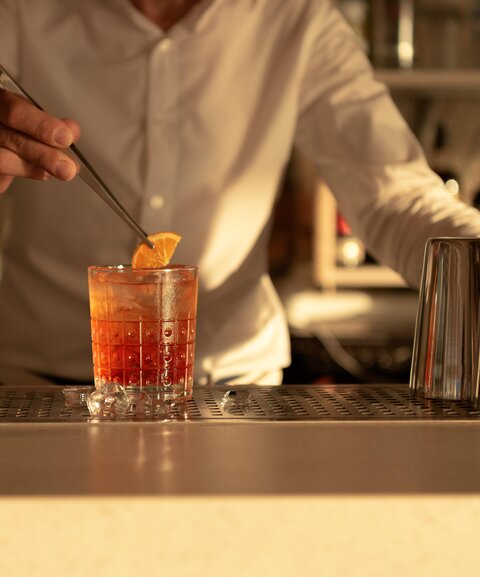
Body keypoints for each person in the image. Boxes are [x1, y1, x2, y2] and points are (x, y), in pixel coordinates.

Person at [0, 0, 479, 386]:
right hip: (36, 379)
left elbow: (394, 195)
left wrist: (470, 258)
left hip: (232, 386)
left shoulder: (296, 16)